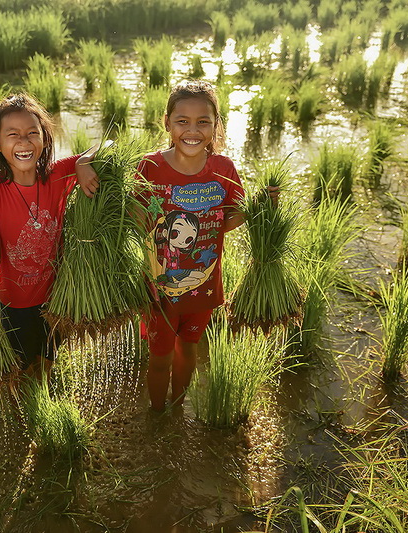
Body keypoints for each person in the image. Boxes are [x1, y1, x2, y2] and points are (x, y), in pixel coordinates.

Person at [82, 79, 277, 412]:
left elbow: (227, 221)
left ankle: (178, 403)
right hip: (159, 290)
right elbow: (132, 217)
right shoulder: (150, 166)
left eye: (203, 121)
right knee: (159, 357)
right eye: (182, 121)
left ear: (216, 125)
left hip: (204, 285)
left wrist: (258, 207)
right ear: (167, 123)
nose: (193, 129)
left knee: (189, 348)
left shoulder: (224, 169)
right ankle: (158, 412)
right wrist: (90, 171)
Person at [0, 93, 98, 379]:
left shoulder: (58, 174)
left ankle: (43, 395)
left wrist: (83, 163)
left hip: (56, 297)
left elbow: (103, 146)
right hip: (14, 302)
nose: (23, 142)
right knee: (19, 367)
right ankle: (26, 407)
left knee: (48, 359)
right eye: (12, 135)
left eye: (31, 133)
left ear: (45, 140)